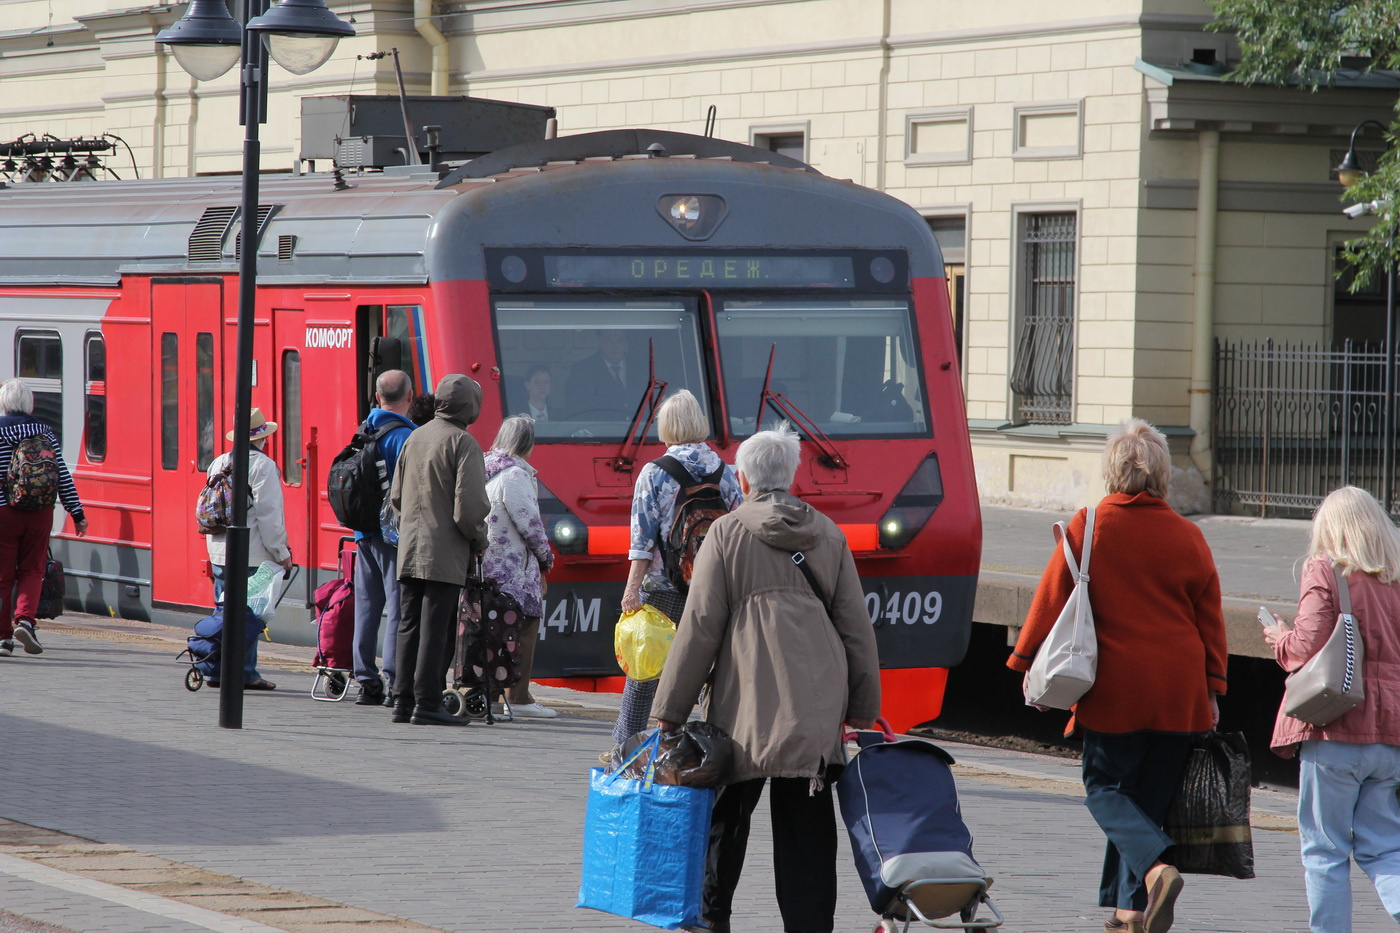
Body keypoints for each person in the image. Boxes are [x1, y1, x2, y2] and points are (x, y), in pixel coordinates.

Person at [653, 421, 880, 933]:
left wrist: (669, 711)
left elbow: (699, 629)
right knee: (808, 832)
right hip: (815, 709)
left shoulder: (726, 534)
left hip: (742, 710)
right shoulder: (828, 533)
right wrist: (863, 706)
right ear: (793, 474)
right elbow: (855, 628)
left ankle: (712, 918)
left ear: (744, 478)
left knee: (726, 819)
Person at [1007, 418, 1227, 933]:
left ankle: (1156, 870)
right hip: (1179, 692)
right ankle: (1129, 914)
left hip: (1117, 691)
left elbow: (1051, 598)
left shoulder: (1091, 524)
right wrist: (1214, 687)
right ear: (1162, 474)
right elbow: (1210, 619)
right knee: (1143, 805)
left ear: (1111, 470)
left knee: (1104, 788)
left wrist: (1025, 663)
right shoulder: (1190, 535)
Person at [1262, 485, 1400, 933]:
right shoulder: (1395, 579)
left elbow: (1306, 646)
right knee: (1385, 848)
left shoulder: (1326, 570)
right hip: (1390, 734)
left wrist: (1279, 639)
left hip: (1336, 730)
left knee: (1324, 851)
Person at [607, 388, 742, 752]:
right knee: (705, 672)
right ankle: (707, 750)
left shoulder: (654, 473)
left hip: (663, 586)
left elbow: (642, 539)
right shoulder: (725, 472)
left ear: (667, 425)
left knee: (644, 671)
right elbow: (739, 528)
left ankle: (626, 750)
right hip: (712, 588)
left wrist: (631, 589)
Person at [389, 374, 489, 726]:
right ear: (470, 406)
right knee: (437, 626)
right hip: (444, 551)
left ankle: (402, 700)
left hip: (409, 547)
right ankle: (428, 702)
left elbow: (397, 496)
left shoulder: (414, 436)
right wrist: (479, 540)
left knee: (409, 624)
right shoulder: (463, 443)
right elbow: (470, 509)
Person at [205, 407, 292, 691]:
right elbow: (269, 516)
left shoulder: (218, 462)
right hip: (251, 552)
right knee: (248, 613)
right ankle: (244, 672)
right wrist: (281, 553)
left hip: (219, 552)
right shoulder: (263, 466)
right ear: (262, 438)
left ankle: (216, 668)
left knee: (223, 612)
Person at [0, 378, 86, 658]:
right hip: (40, 512)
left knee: (3, 575)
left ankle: (2, 638)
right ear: (28, 403)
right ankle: (25, 620)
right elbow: (62, 474)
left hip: (4, 512)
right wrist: (77, 513)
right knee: (33, 570)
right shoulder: (44, 433)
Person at [350, 370, 417, 707]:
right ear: (410, 396)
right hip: (394, 535)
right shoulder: (406, 437)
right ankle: (395, 679)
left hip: (363, 532)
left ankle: (366, 681)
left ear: (378, 397)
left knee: (367, 606)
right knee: (398, 609)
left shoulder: (364, 428)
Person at [482, 415, 556, 717]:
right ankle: (520, 697)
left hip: (489, 564)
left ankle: (493, 694)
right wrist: (546, 559)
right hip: (513, 570)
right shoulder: (514, 476)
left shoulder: (486, 469)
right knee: (524, 627)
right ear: (528, 443)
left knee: (494, 630)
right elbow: (531, 526)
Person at [564, 330, 646, 419]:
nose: (614, 346)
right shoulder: (582, 369)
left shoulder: (639, 367)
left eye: (619, 340)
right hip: (601, 429)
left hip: (638, 429)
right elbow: (577, 407)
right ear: (600, 342)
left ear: (626, 343)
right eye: (609, 340)